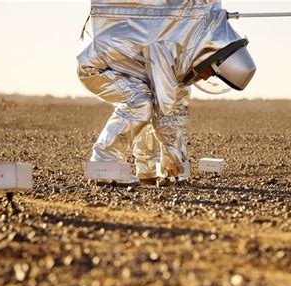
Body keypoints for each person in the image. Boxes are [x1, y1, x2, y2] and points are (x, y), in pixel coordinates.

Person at [77, 0, 255, 186]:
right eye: (210, 72)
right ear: (210, 57)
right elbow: (165, 109)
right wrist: (173, 161)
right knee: (140, 103)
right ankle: (104, 166)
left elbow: (177, 106)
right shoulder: (168, 45)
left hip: (123, 66)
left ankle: (149, 168)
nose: (205, 77)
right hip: (97, 67)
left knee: (151, 99)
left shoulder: (185, 50)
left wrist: (174, 167)